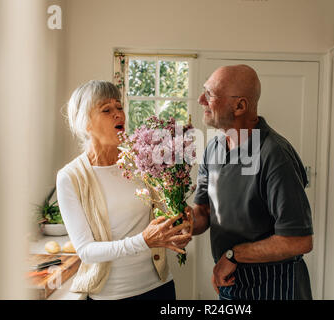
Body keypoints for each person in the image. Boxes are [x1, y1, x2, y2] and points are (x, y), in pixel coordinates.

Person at [186, 65, 314, 300]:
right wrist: (181, 222)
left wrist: (234, 255)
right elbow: (203, 212)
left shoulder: (275, 155)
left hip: (276, 286)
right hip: (230, 283)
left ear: (240, 106)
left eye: (210, 94)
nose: (201, 99)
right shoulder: (213, 148)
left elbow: (299, 240)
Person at [56, 80, 191, 300]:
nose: (118, 114)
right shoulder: (70, 177)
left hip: (160, 286)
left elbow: (161, 216)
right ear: (86, 123)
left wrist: (179, 226)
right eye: (106, 110)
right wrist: (144, 241)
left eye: (119, 107)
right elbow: (86, 251)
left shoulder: (140, 162)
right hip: (113, 295)